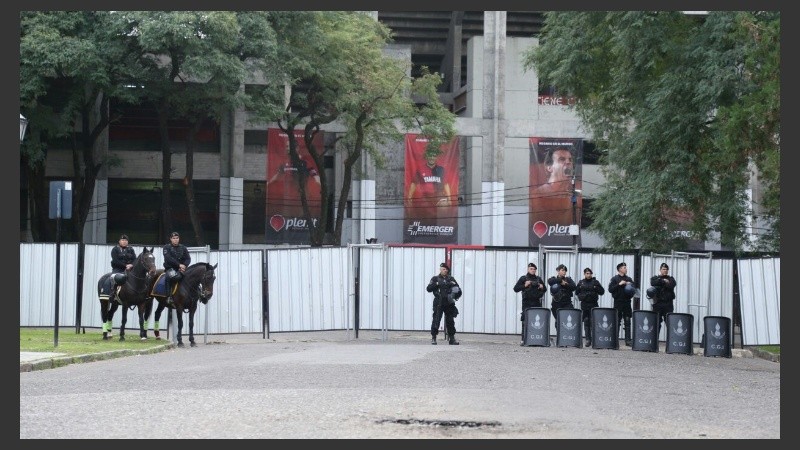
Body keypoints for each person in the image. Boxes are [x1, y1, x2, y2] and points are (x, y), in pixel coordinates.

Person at [407, 152, 453, 217]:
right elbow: (414, 183)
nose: (432, 158)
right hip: (425, 198)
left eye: (434, 156)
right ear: (427, 157)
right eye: (430, 156)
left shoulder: (441, 170)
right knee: (421, 212)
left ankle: (441, 224)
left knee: (444, 206)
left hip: (439, 197)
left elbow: (446, 184)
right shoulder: (420, 169)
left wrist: (449, 199)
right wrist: (409, 197)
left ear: (436, 157)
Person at [426, 262, 462, 345]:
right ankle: (434, 338)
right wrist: (437, 284)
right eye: (443, 269)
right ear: (440, 270)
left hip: (449, 303)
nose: (444, 270)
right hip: (439, 302)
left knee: (450, 320)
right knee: (436, 320)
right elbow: (428, 288)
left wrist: (455, 295)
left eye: (446, 269)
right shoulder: (435, 279)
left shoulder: (451, 279)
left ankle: (452, 338)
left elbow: (458, 289)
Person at [513, 262, 546, 344]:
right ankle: (523, 339)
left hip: (536, 302)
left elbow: (545, 289)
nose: (533, 270)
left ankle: (536, 339)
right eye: (531, 269)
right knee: (525, 320)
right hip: (527, 302)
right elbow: (516, 289)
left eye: (534, 269)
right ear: (528, 269)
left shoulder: (538, 279)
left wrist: (542, 287)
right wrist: (524, 285)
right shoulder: (523, 278)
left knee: (537, 321)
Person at [608, 262, 636, 346]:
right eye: (624, 267)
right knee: (617, 321)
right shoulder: (614, 279)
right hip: (618, 302)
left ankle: (628, 340)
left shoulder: (629, 279)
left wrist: (629, 284)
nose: (626, 269)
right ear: (619, 269)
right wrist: (619, 284)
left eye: (625, 267)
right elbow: (610, 289)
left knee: (627, 321)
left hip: (627, 302)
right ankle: (615, 340)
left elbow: (634, 289)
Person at [575, 267, 605, 346]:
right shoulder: (581, 282)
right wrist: (580, 288)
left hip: (593, 304)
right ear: (584, 274)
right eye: (587, 273)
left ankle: (595, 339)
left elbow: (602, 291)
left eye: (590, 273)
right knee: (586, 321)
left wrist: (595, 287)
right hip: (584, 305)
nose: (589, 275)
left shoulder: (595, 282)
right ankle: (588, 339)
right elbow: (576, 292)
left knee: (593, 322)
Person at [163, 231, 191, 306]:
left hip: (182, 268)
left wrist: (184, 266)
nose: (175, 239)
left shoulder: (183, 247)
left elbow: (188, 258)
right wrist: (179, 265)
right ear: (171, 239)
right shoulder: (166, 247)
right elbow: (168, 258)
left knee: (191, 277)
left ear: (179, 239)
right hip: (170, 268)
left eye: (177, 238)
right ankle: (169, 297)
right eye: (174, 238)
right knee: (170, 277)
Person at [547, 264, 577, 333]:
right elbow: (550, 281)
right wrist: (560, 281)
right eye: (562, 270)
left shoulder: (568, 280)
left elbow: (574, 287)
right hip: (557, 304)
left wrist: (565, 284)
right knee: (558, 321)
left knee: (569, 320)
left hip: (567, 303)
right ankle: (559, 338)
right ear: (558, 271)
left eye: (565, 271)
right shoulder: (554, 279)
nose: (564, 272)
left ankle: (568, 336)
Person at [650, 262, 677, 336]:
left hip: (668, 304)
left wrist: (661, 282)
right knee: (656, 323)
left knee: (669, 323)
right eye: (663, 269)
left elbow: (671, 285)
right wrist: (663, 281)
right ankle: (655, 341)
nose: (665, 270)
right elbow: (652, 282)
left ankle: (671, 341)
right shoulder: (655, 278)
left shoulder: (671, 279)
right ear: (660, 270)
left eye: (666, 269)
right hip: (657, 304)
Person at [109, 234, 137, 304]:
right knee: (113, 277)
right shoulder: (115, 249)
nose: (124, 242)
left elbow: (134, 259)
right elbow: (115, 261)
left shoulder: (131, 249)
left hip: (129, 269)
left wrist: (132, 265)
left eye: (126, 240)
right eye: (122, 240)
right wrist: (125, 265)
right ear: (119, 241)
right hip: (118, 269)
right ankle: (113, 293)